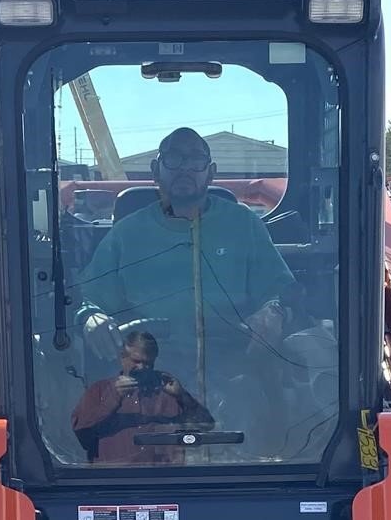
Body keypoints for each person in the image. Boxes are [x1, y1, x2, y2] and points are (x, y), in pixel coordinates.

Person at [71, 127, 293, 378]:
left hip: (237, 365)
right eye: (174, 158)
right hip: (150, 369)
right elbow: (86, 299)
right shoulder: (126, 234)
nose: (185, 168)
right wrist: (91, 317)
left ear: (211, 173)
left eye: (197, 160)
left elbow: (281, 291)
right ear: (155, 170)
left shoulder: (244, 224)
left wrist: (273, 312)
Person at [70, 328, 212, 464]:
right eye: (136, 361)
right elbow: (82, 433)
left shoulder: (169, 393)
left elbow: (206, 426)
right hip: (113, 481)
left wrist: (182, 396)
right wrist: (114, 397)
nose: (142, 368)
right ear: (122, 358)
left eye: (148, 363)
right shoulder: (100, 390)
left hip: (163, 481)